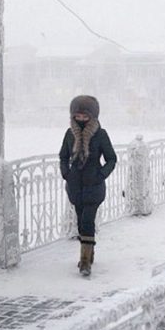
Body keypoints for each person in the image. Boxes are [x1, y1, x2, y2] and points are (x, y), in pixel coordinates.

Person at [59, 95, 117, 277]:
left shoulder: (101, 134)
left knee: (87, 221)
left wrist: (100, 175)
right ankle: (89, 253)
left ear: (93, 116)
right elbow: (63, 156)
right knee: (80, 221)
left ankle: (85, 262)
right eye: (78, 116)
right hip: (75, 185)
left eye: (85, 117)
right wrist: (66, 173)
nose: (81, 120)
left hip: (94, 185)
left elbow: (111, 159)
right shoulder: (70, 135)